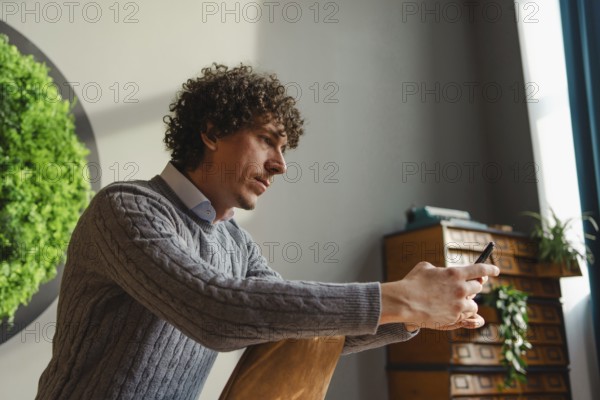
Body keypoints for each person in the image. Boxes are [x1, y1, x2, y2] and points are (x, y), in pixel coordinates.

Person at [36, 64, 499, 399]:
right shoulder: (127, 208)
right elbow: (212, 310)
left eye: (284, 148)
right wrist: (402, 298)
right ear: (213, 131)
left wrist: (413, 316)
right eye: (267, 141)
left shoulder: (237, 244)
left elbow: (298, 330)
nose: (280, 165)